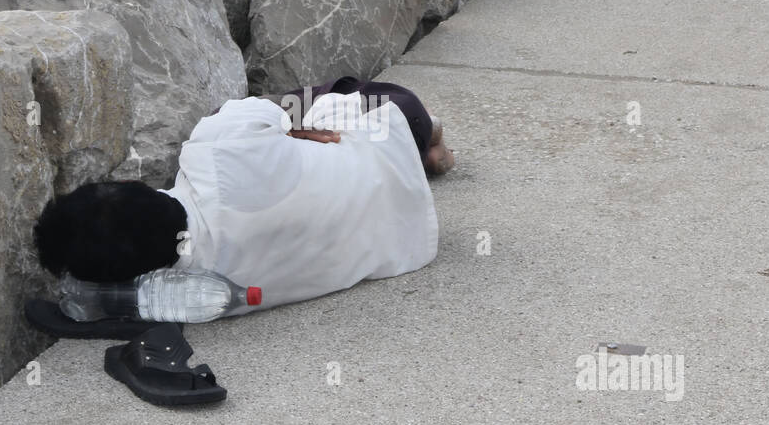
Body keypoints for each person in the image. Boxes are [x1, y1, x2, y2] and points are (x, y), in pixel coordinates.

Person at [32, 76, 455, 309]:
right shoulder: (213, 145)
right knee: (316, 98)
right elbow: (269, 110)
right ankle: (428, 135)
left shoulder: (206, 293)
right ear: (130, 182)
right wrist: (292, 127)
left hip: (407, 237)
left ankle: (428, 156)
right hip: (389, 134)